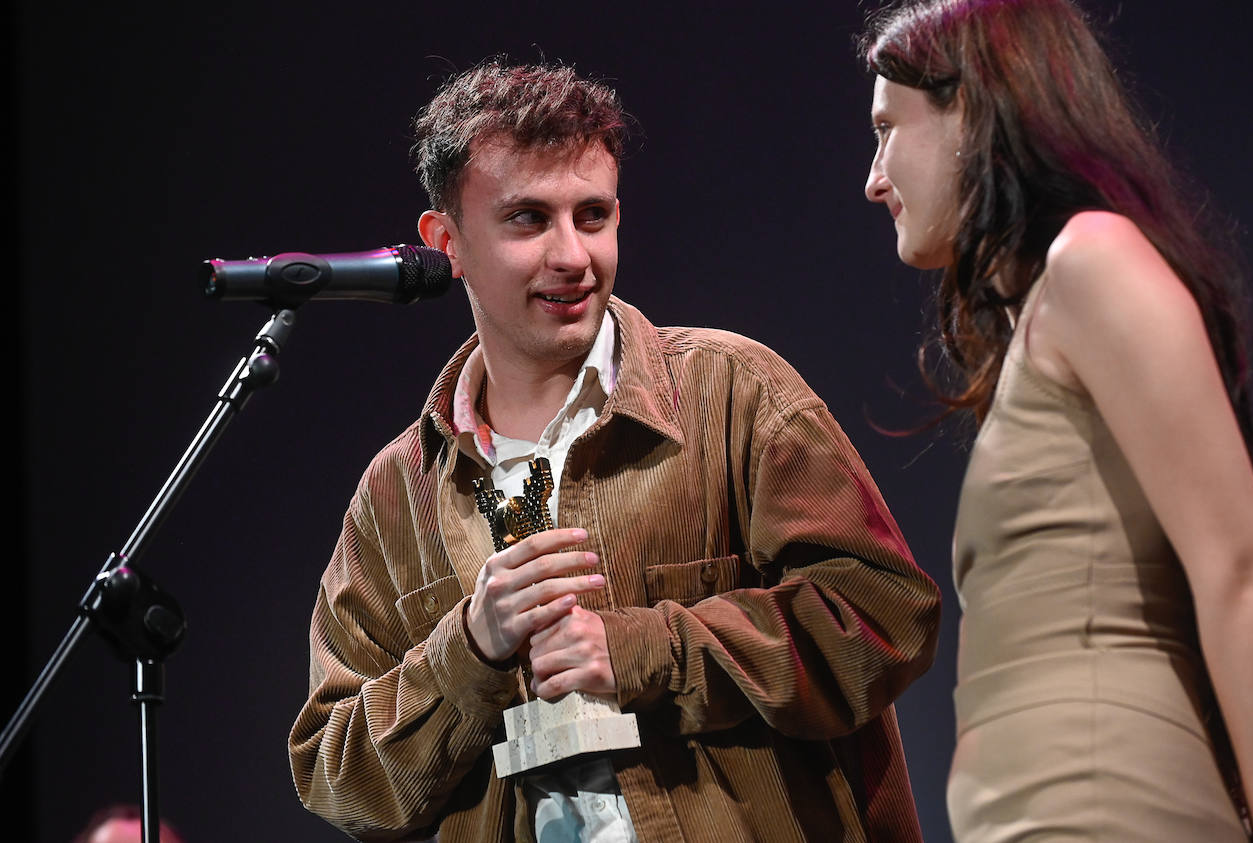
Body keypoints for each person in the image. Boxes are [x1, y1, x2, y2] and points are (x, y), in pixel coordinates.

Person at [287, 61, 942, 842]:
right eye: (528, 220)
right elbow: (335, 774)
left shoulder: (732, 392)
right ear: (447, 241)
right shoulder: (400, 494)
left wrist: (645, 648)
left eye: (592, 215)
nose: (572, 254)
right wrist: (468, 649)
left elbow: (886, 612)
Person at [859, 0, 1253, 842]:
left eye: (885, 131)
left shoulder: (1091, 261)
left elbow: (1248, 576)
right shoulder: (1044, 314)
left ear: (971, 113)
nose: (874, 180)